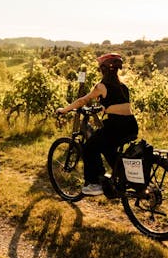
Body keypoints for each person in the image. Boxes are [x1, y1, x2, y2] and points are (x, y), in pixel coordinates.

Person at [56, 53, 138, 196]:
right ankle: (123, 179)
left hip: (115, 126)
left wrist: (64, 110)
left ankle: (95, 184)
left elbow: (82, 100)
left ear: (103, 69)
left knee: (89, 148)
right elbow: (117, 104)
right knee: (107, 148)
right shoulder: (123, 86)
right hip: (131, 125)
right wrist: (103, 107)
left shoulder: (101, 86)